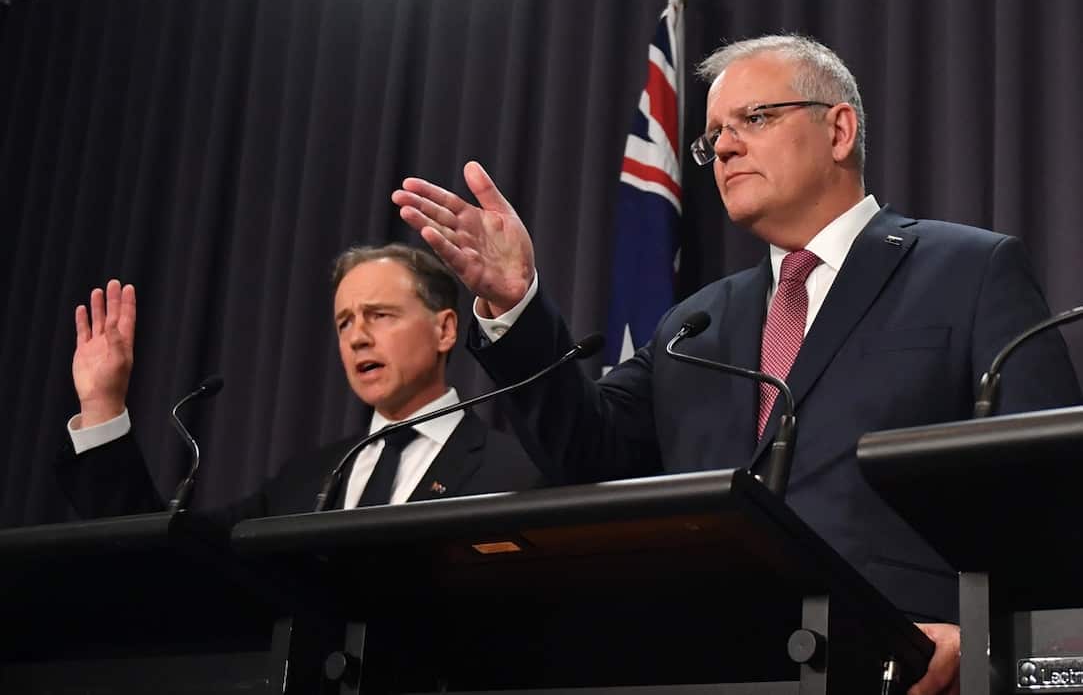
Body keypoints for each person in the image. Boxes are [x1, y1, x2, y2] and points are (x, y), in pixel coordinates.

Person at [391, 35, 1082, 695]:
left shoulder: (966, 270)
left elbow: (1045, 497)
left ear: (838, 130)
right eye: (712, 134)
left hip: (905, 665)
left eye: (753, 118)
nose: (721, 146)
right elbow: (588, 453)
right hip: (714, 663)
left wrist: (988, 639)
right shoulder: (695, 323)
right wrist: (517, 308)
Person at [57, 243, 544, 520]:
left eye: (378, 315)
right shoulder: (302, 482)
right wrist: (103, 405)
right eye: (345, 323)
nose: (357, 338)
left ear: (445, 329)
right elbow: (173, 560)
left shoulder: (515, 473)